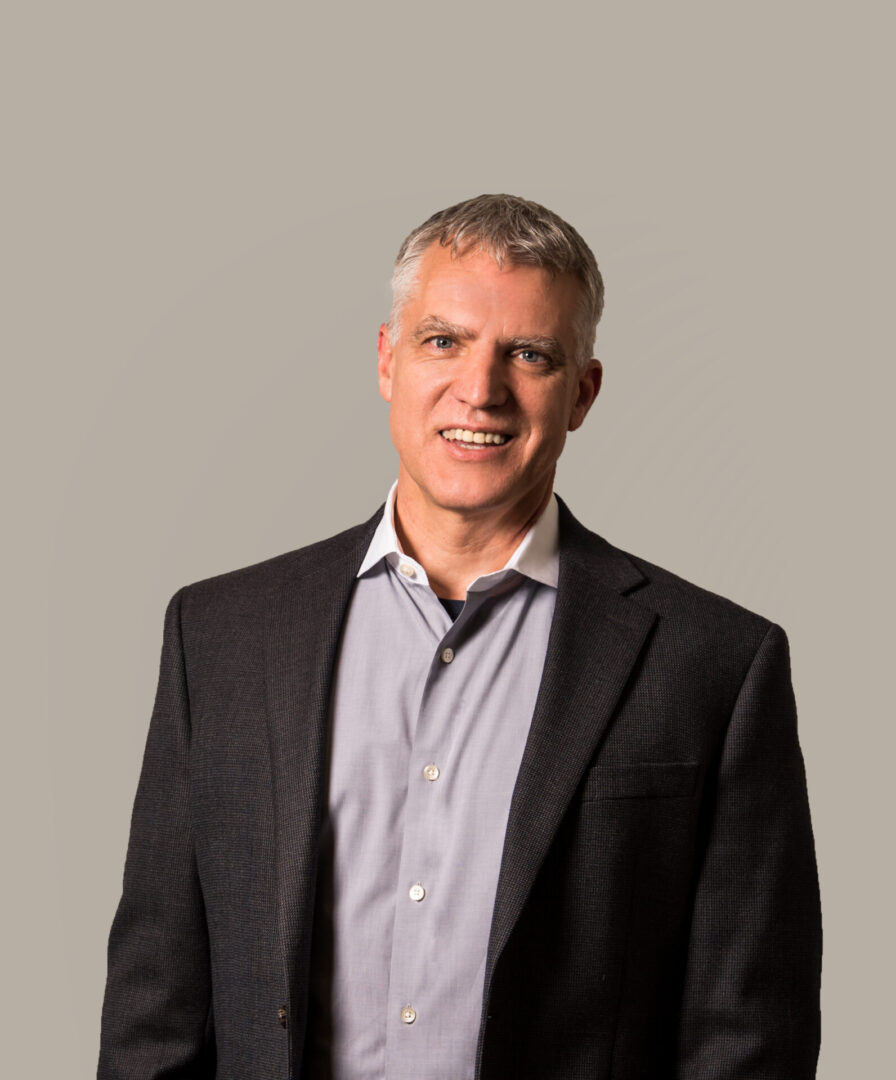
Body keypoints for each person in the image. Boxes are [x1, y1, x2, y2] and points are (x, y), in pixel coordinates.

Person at [98, 194, 822, 1080]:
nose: (480, 390)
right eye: (443, 341)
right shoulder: (220, 637)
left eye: (529, 354)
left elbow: (748, 1037)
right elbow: (154, 1011)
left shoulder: (712, 663)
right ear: (387, 359)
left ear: (584, 393)